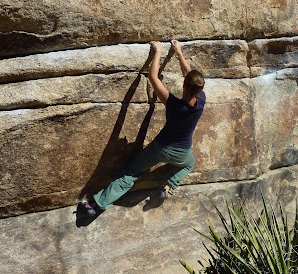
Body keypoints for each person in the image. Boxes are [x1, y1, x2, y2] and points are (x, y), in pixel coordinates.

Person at [80, 40, 206, 217]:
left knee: (130, 173)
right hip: (182, 152)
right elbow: (190, 77)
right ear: (200, 89)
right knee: (190, 163)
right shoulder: (201, 101)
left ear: (184, 85)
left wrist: (157, 51)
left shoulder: (173, 104)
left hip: (159, 148)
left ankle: (97, 205)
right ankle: (170, 186)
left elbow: (153, 77)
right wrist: (178, 53)